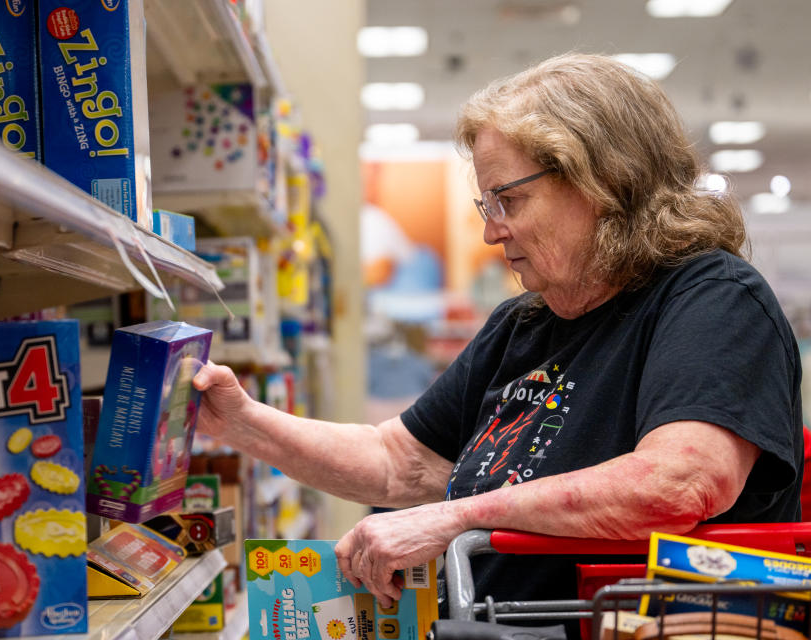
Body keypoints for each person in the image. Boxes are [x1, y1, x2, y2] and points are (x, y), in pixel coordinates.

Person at [192, 53, 803, 620]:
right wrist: (241, 422)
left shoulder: (713, 300)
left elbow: (675, 485)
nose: (493, 233)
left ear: (602, 182)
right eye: (487, 205)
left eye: (509, 200)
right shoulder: (526, 323)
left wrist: (454, 518)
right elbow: (398, 464)